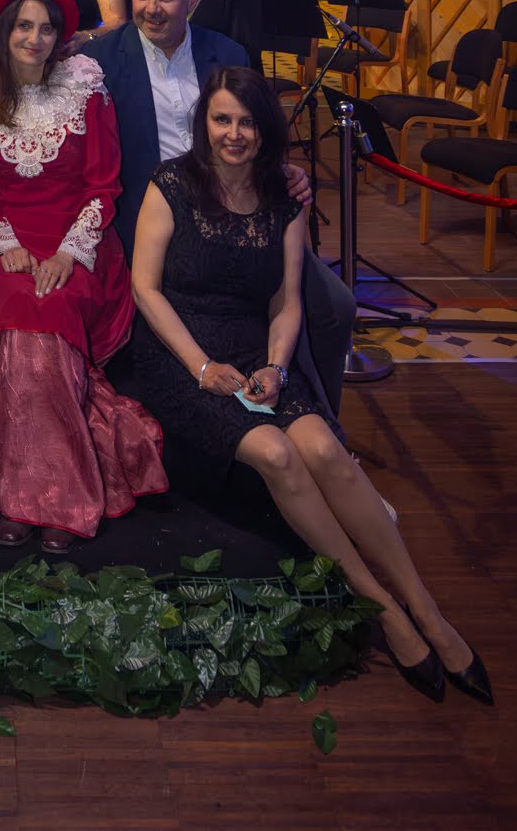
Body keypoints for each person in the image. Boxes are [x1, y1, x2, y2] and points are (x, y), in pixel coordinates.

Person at [132, 66, 492, 706]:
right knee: (277, 453)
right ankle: (381, 607)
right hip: (180, 353)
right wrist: (201, 367)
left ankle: (428, 611)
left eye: (247, 122)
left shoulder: (284, 197)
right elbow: (145, 289)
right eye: (222, 119)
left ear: (264, 129)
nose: (234, 134)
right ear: (204, 123)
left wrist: (276, 366)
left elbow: (287, 300)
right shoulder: (171, 184)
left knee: (324, 448)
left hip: (253, 347)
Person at [86, 0, 350, 414]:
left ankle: (315, 415)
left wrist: (282, 171)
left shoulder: (227, 53)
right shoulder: (100, 62)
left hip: (242, 213)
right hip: (151, 226)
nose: (151, 8)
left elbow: (257, 129)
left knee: (334, 305)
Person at [0, 0, 167, 551]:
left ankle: (41, 499)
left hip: (82, 242)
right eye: (24, 27)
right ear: (5, 31)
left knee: (49, 308)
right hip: (8, 244)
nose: (35, 38)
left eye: (46, 29)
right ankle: (49, 494)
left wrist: (71, 253)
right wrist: (6, 244)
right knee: (23, 312)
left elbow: (103, 186)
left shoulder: (85, 87)